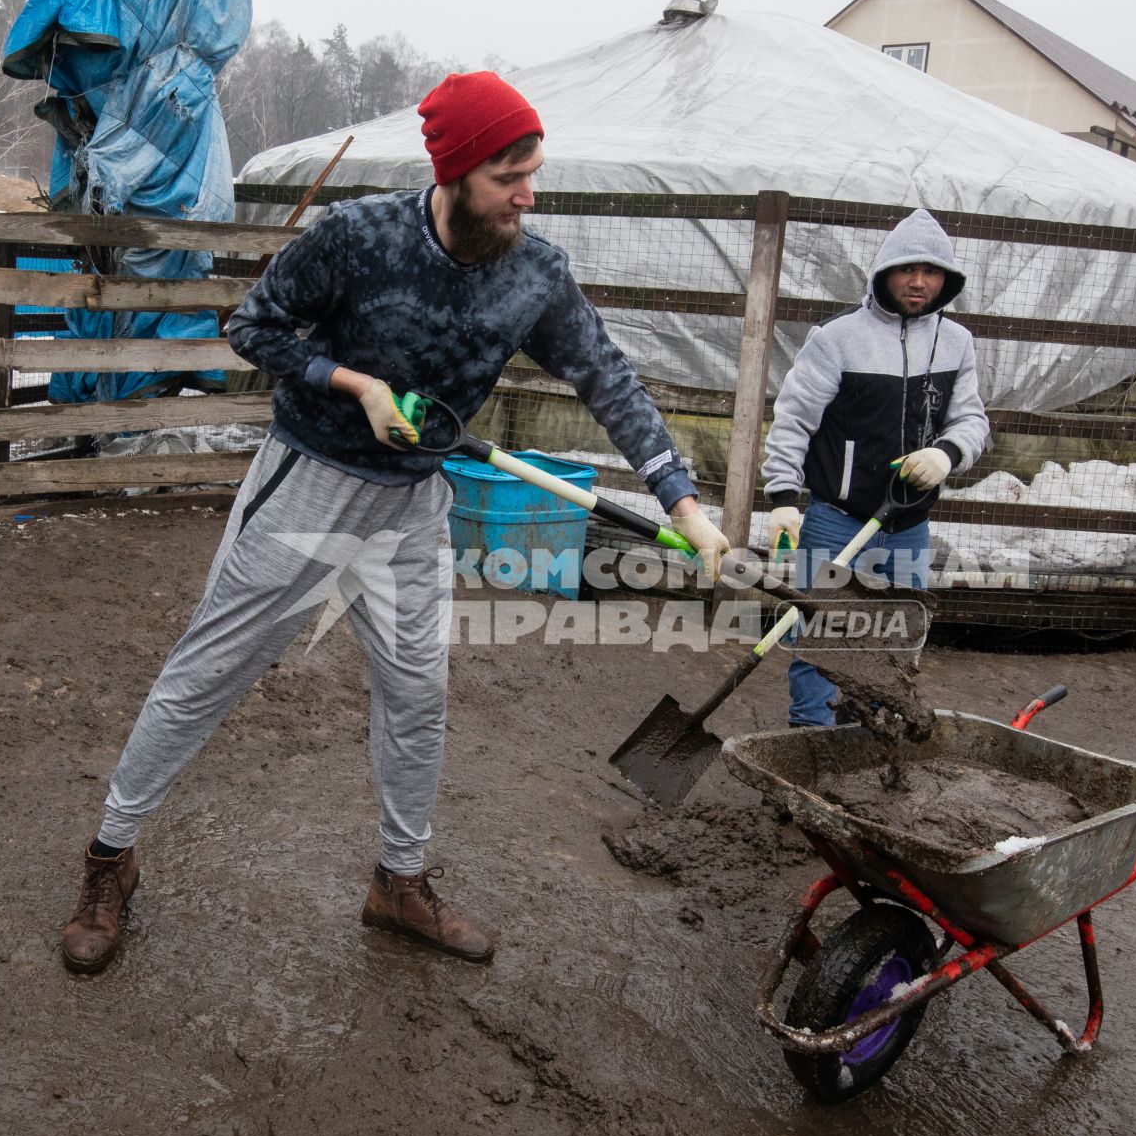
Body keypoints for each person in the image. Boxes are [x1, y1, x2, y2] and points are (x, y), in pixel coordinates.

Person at [60, 71, 732, 973]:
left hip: (413, 504)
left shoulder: (535, 273)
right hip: (308, 484)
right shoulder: (355, 237)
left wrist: (685, 504)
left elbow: (607, 378)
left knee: (419, 694)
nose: (527, 196)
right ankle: (111, 857)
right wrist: (358, 384)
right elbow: (253, 328)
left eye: (534, 172)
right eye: (508, 176)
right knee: (208, 672)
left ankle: (399, 881)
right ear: (454, 172)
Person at [758, 208, 989, 727]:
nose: (919, 282)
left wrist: (945, 454)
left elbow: (972, 419)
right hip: (838, 519)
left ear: (946, 281)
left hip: (909, 524)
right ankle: (810, 741)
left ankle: (868, 739)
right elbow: (794, 420)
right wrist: (781, 499)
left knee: (896, 640)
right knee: (822, 633)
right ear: (884, 271)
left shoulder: (956, 343)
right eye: (908, 269)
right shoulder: (837, 338)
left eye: (932, 273)